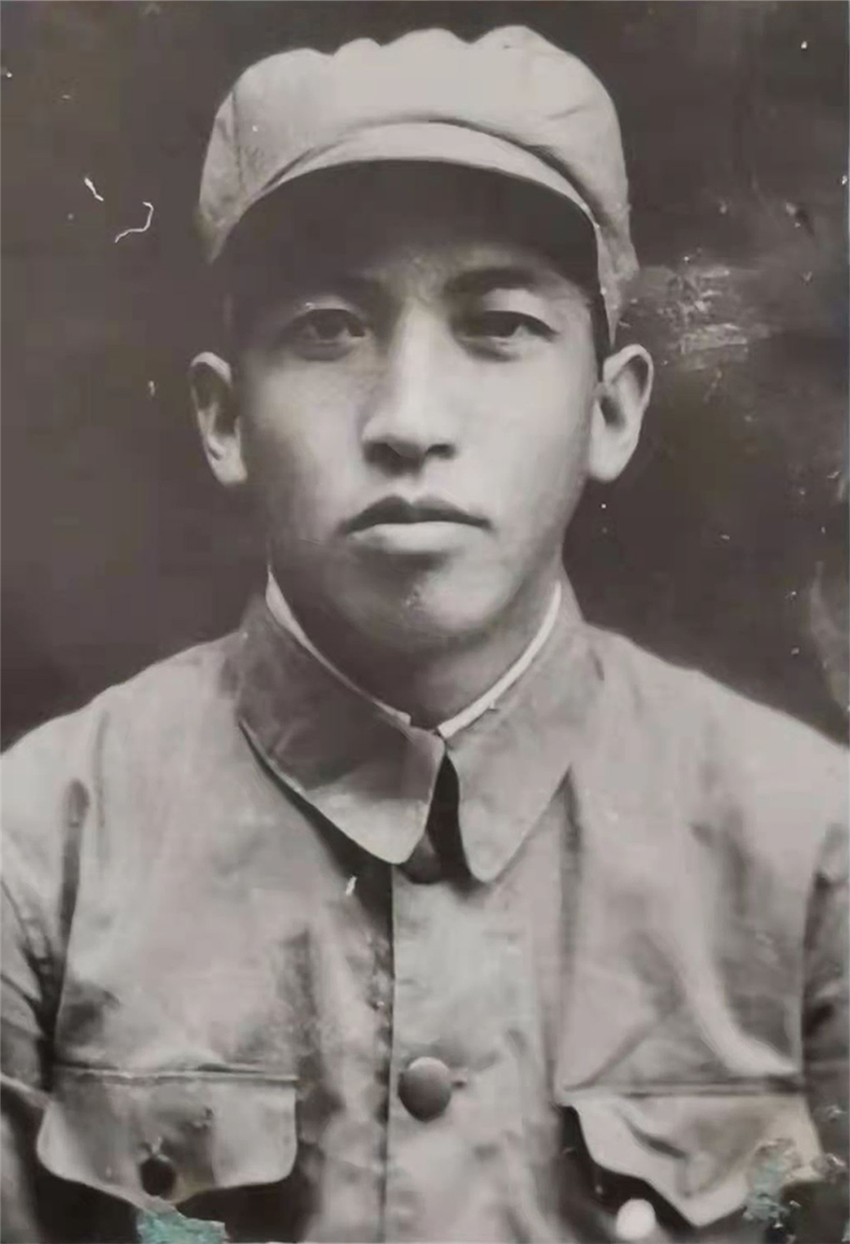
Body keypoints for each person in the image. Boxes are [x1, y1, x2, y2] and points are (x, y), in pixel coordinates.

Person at [1, 25, 846, 1244]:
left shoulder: (812, 850)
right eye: (327, 328)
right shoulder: (39, 850)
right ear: (224, 418)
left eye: (497, 324)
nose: (407, 418)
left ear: (609, 410)